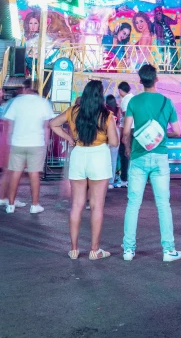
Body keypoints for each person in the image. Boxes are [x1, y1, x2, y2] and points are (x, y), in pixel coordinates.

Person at [50, 80, 119, 259]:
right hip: (99, 158)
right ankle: (94, 250)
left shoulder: (73, 111)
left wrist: (69, 138)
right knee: (97, 207)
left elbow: (53, 124)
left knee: (77, 205)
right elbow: (114, 142)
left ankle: (73, 249)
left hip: (79, 155)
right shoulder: (106, 115)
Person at [122, 63, 181, 262]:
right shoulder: (167, 102)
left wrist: (129, 149)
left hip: (138, 157)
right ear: (156, 79)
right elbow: (177, 131)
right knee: (163, 204)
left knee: (133, 204)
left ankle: (128, 250)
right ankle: (168, 250)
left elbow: (125, 132)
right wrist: (162, 135)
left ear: (140, 81)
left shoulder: (133, 102)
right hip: (160, 157)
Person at [2, 79, 54, 213]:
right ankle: (35, 205)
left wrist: (10, 140)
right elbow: (47, 127)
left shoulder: (17, 102)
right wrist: (46, 143)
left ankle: (11, 205)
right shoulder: (43, 102)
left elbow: (10, 125)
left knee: (15, 173)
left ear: (25, 88)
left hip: (17, 142)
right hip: (36, 143)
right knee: (34, 174)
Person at [116, 81, 134, 187]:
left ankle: (124, 180)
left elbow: (126, 118)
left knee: (124, 154)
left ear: (121, 90)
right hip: (135, 129)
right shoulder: (134, 98)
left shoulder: (125, 100)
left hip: (129, 129)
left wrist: (124, 134)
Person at [105, 95, 121, 188]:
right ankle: (111, 182)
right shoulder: (118, 109)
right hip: (116, 132)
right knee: (114, 159)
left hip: (106, 132)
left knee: (105, 157)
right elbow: (119, 123)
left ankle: (105, 180)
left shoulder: (105, 109)